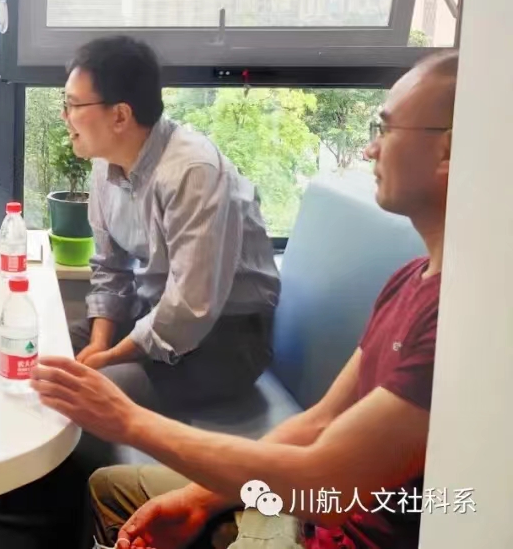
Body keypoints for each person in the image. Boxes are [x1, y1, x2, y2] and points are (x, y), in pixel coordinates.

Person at [32, 51, 457, 549]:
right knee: (101, 470)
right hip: (299, 511)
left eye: (385, 129)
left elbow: (330, 484)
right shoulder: (408, 282)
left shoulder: (458, 321)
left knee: (98, 392)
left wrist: (125, 419)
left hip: (225, 349)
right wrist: (201, 499)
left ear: (448, 151)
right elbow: (319, 423)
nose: (368, 149)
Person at [65, 35, 281, 414]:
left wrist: (110, 358)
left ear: (120, 116)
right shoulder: (106, 164)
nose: (65, 117)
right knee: (41, 352)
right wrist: (99, 344)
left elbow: (190, 308)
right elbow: (110, 268)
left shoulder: (193, 171)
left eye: (73, 105)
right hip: (153, 313)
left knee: (83, 397)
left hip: (226, 337)